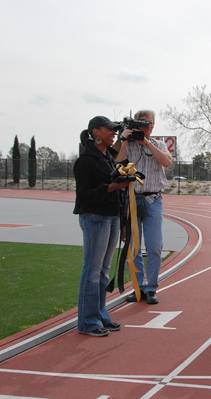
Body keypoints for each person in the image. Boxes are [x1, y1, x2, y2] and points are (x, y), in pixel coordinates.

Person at [73, 116, 130, 337]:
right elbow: (83, 196)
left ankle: (100, 315)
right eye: (110, 129)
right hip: (95, 217)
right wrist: (110, 187)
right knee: (93, 271)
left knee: (103, 272)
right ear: (96, 132)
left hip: (111, 216)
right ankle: (88, 321)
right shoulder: (86, 161)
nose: (114, 133)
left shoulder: (106, 157)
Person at [116, 110, 172, 304]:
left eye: (149, 123)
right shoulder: (128, 145)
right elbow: (116, 164)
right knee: (133, 247)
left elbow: (167, 161)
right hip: (131, 200)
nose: (146, 127)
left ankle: (151, 288)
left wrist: (146, 142)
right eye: (142, 123)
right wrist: (124, 141)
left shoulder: (159, 145)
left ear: (153, 126)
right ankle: (138, 288)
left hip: (153, 200)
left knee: (155, 246)